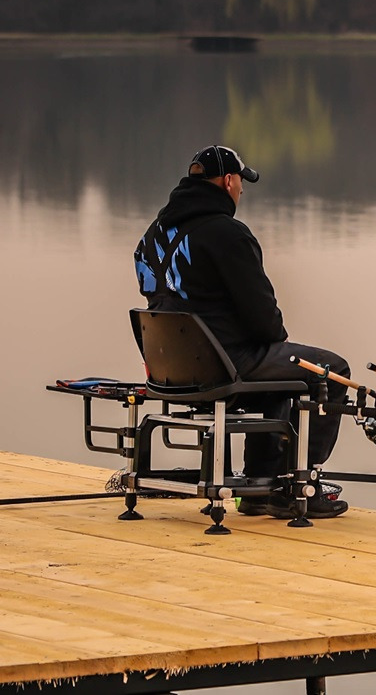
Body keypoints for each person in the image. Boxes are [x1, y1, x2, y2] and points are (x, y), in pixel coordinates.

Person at [134, 145, 349, 518]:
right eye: (240, 183)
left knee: (280, 373)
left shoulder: (151, 237)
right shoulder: (228, 233)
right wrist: (276, 341)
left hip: (171, 370)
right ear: (229, 181)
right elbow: (264, 318)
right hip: (225, 364)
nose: (242, 192)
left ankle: (258, 490)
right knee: (331, 370)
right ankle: (299, 485)